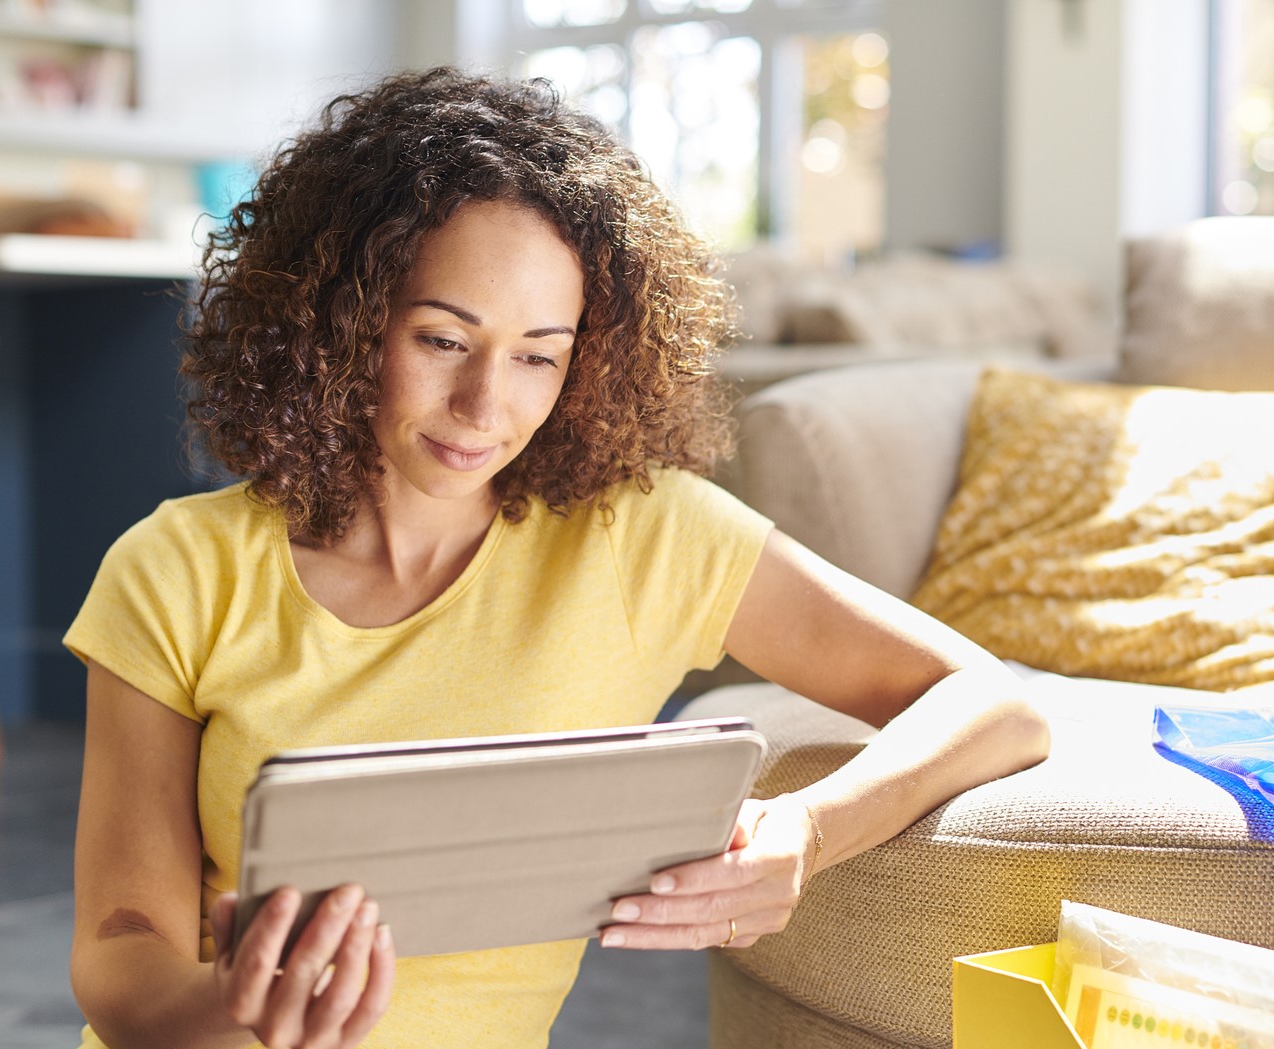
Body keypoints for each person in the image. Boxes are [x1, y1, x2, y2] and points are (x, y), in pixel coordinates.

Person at [63, 68, 1050, 1049]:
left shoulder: (643, 539)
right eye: (444, 339)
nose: (485, 405)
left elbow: (991, 703)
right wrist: (239, 1005)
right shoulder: (175, 570)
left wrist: (805, 832)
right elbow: (121, 950)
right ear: (341, 321)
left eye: (538, 353)